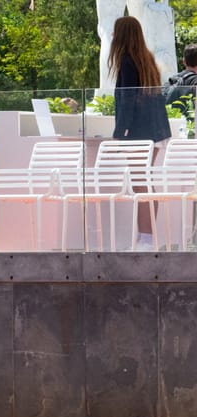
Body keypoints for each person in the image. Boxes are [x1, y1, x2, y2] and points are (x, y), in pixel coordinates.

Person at [109, 15, 171, 251]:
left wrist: (118, 134)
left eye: (116, 32)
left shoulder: (127, 61)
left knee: (140, 183)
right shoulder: (146, 59)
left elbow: (127, 101)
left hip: (137, 132)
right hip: (154, 131)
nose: (113, 36)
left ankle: (146, 238)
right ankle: (146, 237)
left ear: (122, 35)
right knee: (144, 182)